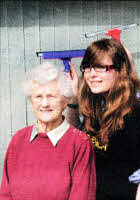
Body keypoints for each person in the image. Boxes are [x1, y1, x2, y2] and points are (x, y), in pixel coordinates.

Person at [67, 38, 140, 200]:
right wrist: (73, 99)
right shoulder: (98, 103)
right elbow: (76, 140)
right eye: (87, 67)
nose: (91, 74)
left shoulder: (137, 113)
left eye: (100, 67)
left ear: (120, 70)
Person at [0, 63, 96, 200]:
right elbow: (5, 195)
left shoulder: (80, 143)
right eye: (38, 96)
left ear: (65, 101)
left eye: (52, 96)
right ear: (31, 101)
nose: (44, 104)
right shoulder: (18, 140)